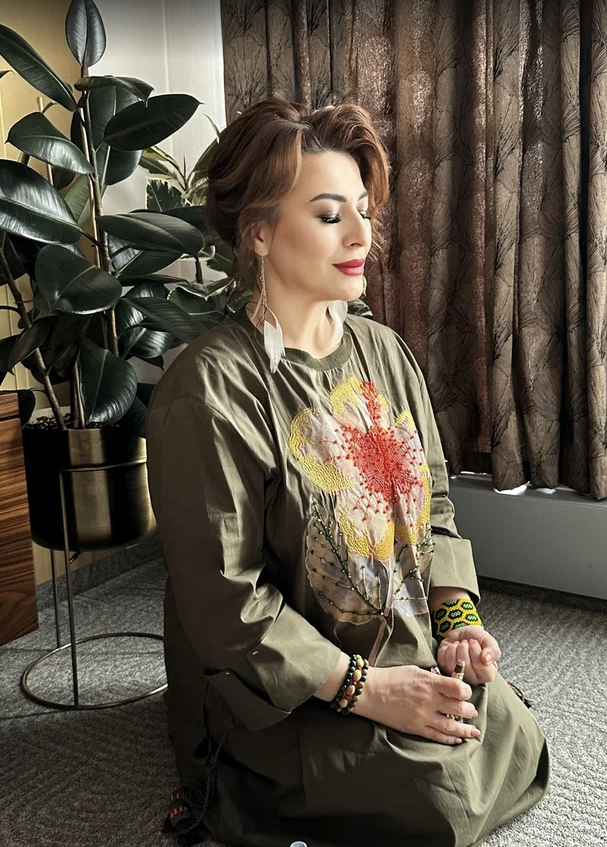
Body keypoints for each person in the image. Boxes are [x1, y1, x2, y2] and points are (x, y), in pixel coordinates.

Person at [145, 97, 551, 847]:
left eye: (364, 210)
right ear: (259, 231)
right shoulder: (207, 392)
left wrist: (456, 622)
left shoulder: (384, 351)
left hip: (396, 639)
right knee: (443, 798)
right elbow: (227, 600)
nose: (363, 235)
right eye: (331, 214)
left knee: (506, 729)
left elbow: (432, 507)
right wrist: (368, 690)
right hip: (281, 684)